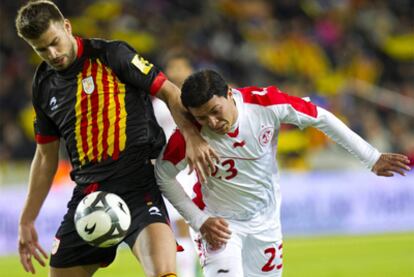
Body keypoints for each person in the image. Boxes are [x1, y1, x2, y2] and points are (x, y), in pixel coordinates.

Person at [15, 1, 218, 277]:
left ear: (66, 27)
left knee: (165, 273)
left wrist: (192, 137)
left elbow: (170, 92)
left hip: (139, 186)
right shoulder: (43, 84)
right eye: (41, 49)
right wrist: (27, 219)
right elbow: (45, 156)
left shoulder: (112, 54)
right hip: (89, 196)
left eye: (54, 42)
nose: (52, 54)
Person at [155, 69, 411, 276]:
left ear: (230, 94)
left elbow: (320, 117)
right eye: (201, 118)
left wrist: (371, 158)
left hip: (265, 220)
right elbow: (163, 175)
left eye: (215, 111)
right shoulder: (189, 136)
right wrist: (199, 221)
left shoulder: (264, 104)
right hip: (219, 223)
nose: (211, 122)